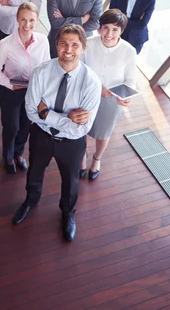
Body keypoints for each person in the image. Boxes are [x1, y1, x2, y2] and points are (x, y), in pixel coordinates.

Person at [12, 24, 101, 242]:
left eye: (74, 45)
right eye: (63, 43)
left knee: (71, 181)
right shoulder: (41, 72)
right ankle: (31, 200)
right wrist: (66, 117)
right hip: (41, 136)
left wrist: (49, 115)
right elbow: (31, 111)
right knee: (34, 171)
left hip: (71, 143)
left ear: (83, 48)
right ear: (56, 45)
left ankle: (68, 214)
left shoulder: (91, 82)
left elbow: (81, 128)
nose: (68, 49)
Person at [0, 2, 50, 174]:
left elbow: (46, 66)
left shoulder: (43, 41)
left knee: (25, 125)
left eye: (31, 20)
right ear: (17, 19)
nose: (27, 24)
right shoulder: (6, 44)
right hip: (11, 91)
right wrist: (9, 84)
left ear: (37, 20)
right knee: (11, 127)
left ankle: (18, 153)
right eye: (23, 19)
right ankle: (7, 157)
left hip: (33, 91)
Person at [79, 9, 137, 181]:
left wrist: (126, 97)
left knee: (104, 132)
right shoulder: (88, 43)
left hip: (111, 100)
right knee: (81, 127)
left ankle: (97, 159)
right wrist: (97, 89)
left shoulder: (129, 51)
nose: (109, 34)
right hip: (86, 94)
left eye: (115, 30)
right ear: (100, 28)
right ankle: (82, 156)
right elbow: (79, 71)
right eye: (106, 28)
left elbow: (130, 81)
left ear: (121, 31)